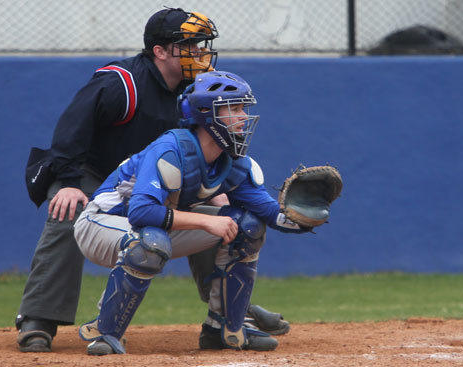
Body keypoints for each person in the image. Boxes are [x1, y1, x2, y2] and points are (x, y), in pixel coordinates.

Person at [16, 7, 288, 353]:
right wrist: (69, 181)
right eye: (189, 45)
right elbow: (73, 128)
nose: (201, 52)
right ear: (160, 51)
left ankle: (231, 312)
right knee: (67, 212)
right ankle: (39, 318)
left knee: (220, 220)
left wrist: (218, 190)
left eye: (202, 44)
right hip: (96, 173)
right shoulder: (120, 82)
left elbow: (213, 147)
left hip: (161, 177)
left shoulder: (200, 86)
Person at [74, 70, 313, 355]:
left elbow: (272, 214)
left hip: (154, 229)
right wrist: (205, 221)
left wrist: (306, 216)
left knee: (248, 225)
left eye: (243, 109)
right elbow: (141, 213)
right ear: (206, 115)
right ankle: (106, 332)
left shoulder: (233, 162)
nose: (244, 117)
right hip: (99, 224)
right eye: (234, 108)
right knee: (149, 243)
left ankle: (224, 328)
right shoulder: (171, 150)